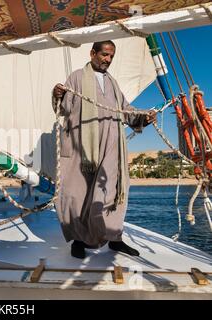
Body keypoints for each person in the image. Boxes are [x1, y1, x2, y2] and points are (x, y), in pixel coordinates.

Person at [52, 40, 157, 259]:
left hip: (111, 146)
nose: (108, 60)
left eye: (111, 56)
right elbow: (65, 109)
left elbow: (126, 111)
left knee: (112, 192)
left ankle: (114, 238)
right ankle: (78, 241)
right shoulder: (77, 77)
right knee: (76, 193)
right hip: (82, 148)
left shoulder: (113, 83)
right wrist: (58, 94)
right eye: (105, 55)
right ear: (93, 53)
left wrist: (144, 117)